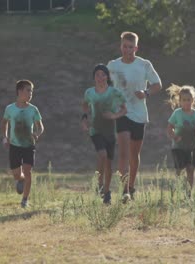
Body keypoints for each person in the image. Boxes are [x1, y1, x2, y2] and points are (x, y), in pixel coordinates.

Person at [107, 31, 162, 202]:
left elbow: (157, 84)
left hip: (139, 114)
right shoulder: (113, 65)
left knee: (134, 153)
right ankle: (124, 191)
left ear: (136, 48)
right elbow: (106, 86)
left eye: (131, 47)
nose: (127, 49)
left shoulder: (144, 65)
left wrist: (145, 92)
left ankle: (131, 185)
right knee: (123, 151)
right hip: (122, 112)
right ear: (120, 46)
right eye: (124, 46)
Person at [81, 64, 127, 204]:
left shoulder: (114, 92)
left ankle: (107, 192)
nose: (100, 77)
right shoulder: (90, 92)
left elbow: (124, 109)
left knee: (108, 163)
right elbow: (85, 105)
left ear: (107, 76)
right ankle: (99, 184)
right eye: (97, 75)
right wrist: (84, 119)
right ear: (94, 78)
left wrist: (114, 116)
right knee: (102, 155)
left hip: (110, 131)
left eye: (103, 74)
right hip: (96, 130)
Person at [1, 80, 44, 208]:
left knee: (28, 171)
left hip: (29, 146)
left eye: (31, 91)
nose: (30, 93)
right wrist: (5, 137)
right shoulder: (10, 108)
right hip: (14, 146)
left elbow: (40, 126)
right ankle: (21, 179)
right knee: (16, 174)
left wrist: (37, 133)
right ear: (19, 91)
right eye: (28, 90)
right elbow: (4, 123)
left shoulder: (33, 109)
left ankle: (25, 200)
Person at [166, 84, 195, 194]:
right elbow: (169, 128)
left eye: (189, 100)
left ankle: (189, 193)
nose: (187, 102)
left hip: (192, 146)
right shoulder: (177, 113)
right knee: (179, 170)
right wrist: (174, 136)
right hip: (178, 146)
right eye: (184, 100)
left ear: (193, 100)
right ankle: (177, 190)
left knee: (191, 169)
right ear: (180, 101)